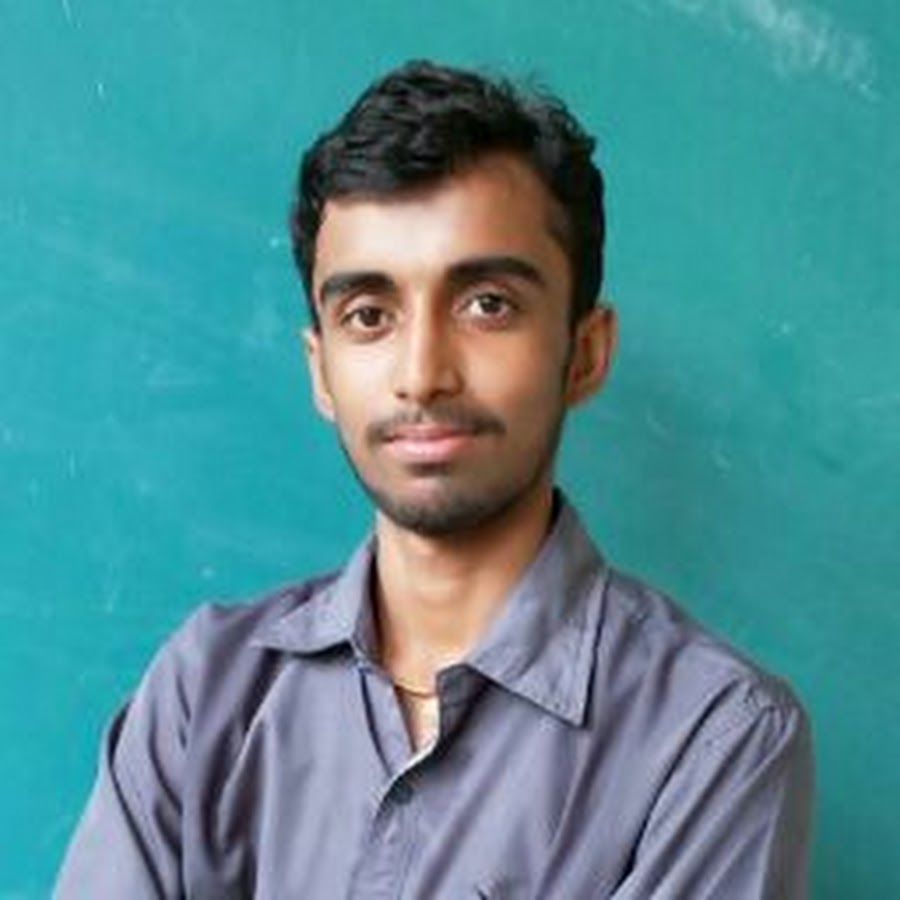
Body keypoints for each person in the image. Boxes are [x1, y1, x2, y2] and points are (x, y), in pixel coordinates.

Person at [56, 60, 813, 899]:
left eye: (487, 303)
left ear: (585, 353)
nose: (421, 374)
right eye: (368, 315)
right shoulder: (205, 691)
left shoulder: (714, 736)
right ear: (321, 370)